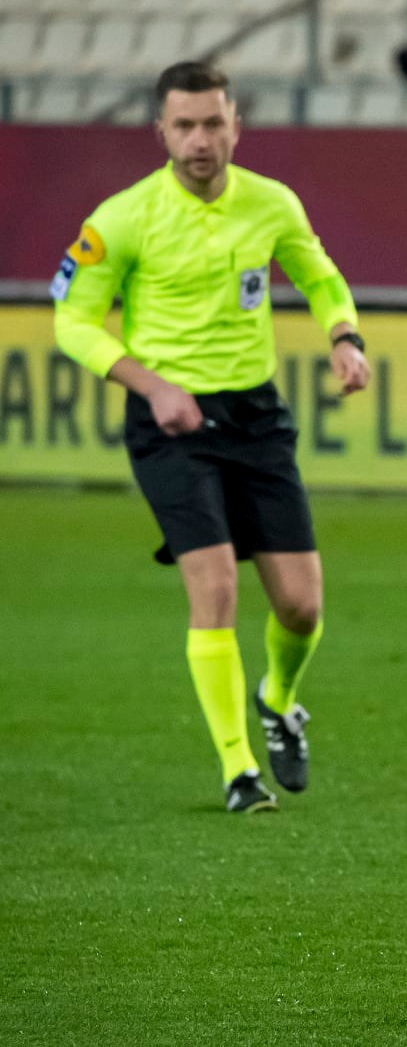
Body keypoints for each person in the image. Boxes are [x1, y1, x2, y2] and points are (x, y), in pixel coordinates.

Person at [52, 62, 371, 813]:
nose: (200, 139)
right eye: (185, 125)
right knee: (217, 584)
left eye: (213, 123)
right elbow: (70, 320)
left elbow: (320, 278)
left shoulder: (271, 203)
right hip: (169, 425)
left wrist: (344, 337)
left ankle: (279, 702)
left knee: (301, 608)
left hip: (255, 416)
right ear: (160, 132)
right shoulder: (123, 217)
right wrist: (151, 385)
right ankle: (238, 771)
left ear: (236, 125)